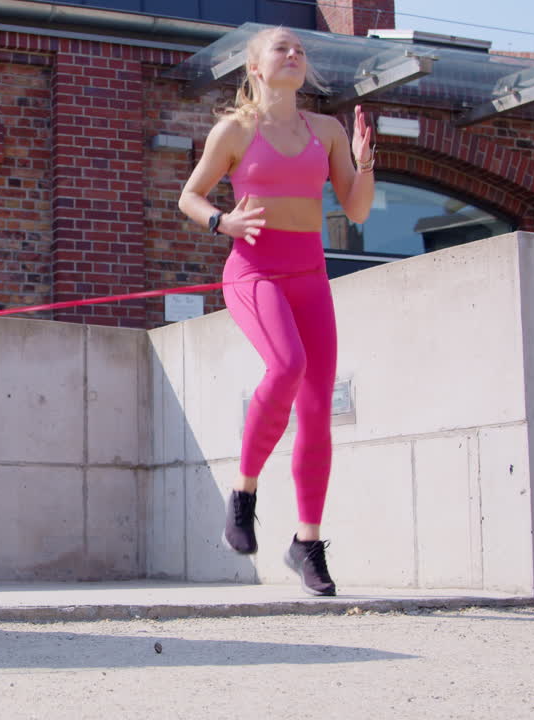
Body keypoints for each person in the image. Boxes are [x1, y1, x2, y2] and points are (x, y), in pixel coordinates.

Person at [176, 26, 374, 596]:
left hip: (311, 279)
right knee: (286, 367)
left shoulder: (328, 130)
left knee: (316, 408)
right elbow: (189, 195)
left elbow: (357, 210)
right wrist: (223, 221)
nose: (294, 55)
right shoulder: (234, 130)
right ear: (256, 67)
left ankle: (307, 544)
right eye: (281, 49)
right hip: (253, 271)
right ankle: (244, 492)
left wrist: (363, 164)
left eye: (300, 50)